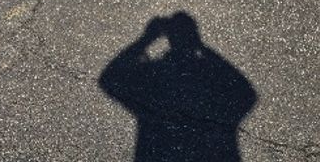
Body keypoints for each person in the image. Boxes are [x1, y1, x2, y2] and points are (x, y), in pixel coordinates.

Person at [99, 12, 257, 162]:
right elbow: (247, 93)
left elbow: (108, 79)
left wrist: (146, 39)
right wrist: (203, 49)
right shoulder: (208, 74)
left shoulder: (154, 75)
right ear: (193, 37)